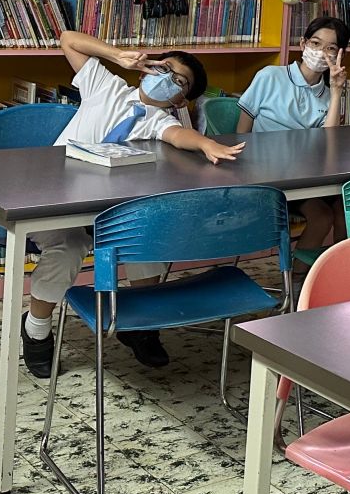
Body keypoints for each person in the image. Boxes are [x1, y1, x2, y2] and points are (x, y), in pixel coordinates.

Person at [21, 30, 244, 377]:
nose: (167, 79)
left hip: (111, 208)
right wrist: (118, 55)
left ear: (180, 100)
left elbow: (178, 135)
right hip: (57, 198)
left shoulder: (160, 120)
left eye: (179, 81)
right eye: (164, 68)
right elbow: (68, 39)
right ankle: (36, 329)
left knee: (146, 234)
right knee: (69, 247)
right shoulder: (105, 86)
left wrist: (204, 143)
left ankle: (141, 324)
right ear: (146, 70)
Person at [236, 16, 350, 255]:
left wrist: (336, 92)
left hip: (310, 174)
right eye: (316, 43)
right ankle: (300, 274)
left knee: (348, 210)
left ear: (341, 54)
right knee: (321, 216)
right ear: (303, 43)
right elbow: (241, 131)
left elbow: (329, 142)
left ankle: (341, 271)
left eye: (330, 48)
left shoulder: (328, 94)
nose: (321, 53)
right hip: (270, 174)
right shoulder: (270, 76)